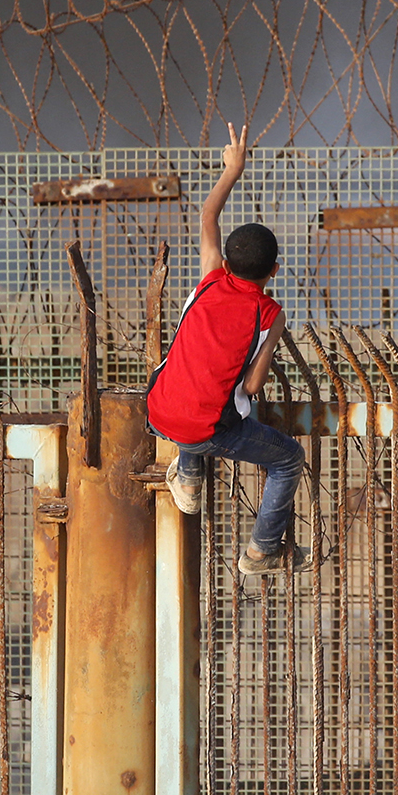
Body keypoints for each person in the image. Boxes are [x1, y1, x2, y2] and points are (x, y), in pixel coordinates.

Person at [146, 121, 312, 575]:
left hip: (157, 410)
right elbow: (254, 385)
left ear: (228, 260)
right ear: (274, 270)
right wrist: (268, 342)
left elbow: (207, 217)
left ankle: (191, 477)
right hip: (204, 430)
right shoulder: (269, 313)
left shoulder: (211, 275)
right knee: (288, 459)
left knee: (196, 374)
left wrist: (232, 169)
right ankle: (262, 550)